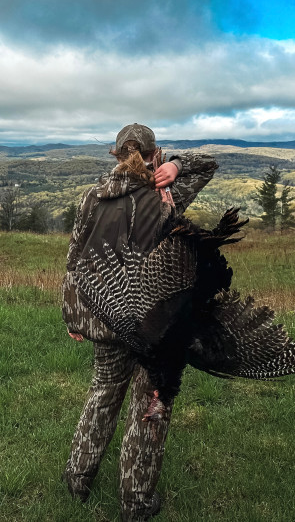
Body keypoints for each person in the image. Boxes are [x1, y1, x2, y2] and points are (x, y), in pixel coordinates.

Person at [62, 123, 218, 521]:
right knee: (150, 408)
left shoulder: (92, 197)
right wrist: (179, 166)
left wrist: (74, 314)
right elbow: (210, 163)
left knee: (102, 395)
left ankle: (77, 480)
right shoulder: (167, 193)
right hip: (154, 327)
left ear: (115, 155)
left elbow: (75, 258)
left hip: (105, 319)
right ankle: (136, 503)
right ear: (156, 154)